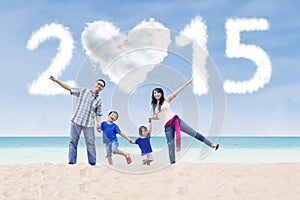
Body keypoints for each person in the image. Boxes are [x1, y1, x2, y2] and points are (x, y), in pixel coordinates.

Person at [149, 79, 219, 164]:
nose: (157, 94)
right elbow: (159, 117)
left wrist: (187, 83)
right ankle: (173, 164)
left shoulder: (167, 100)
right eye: (155, 93)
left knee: (193, 133)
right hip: (167, 127)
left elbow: (177, 92)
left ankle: (212, 145)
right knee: (170, 146)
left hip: (176, 121)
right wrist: (152, 118)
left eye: (158, 92)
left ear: (161, 93)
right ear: (153, 95)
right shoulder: (155, 106)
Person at [49, 75, 105, 166]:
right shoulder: (83, 91)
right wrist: (56, 81)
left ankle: (92, 163)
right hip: (76, 121)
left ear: (102, 89)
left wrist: (98, 123)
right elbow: (69, 88)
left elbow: (98, 113)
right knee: (73, 142)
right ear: (95, 84)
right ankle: (72, 163)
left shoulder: (99, 100)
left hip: (89, 124)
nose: (99, 86)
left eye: (101, 86)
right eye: (98, 84)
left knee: (91, 144)